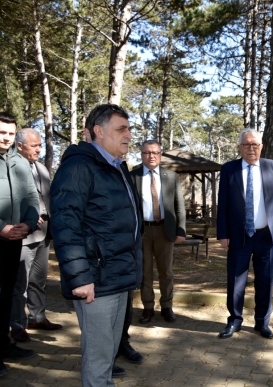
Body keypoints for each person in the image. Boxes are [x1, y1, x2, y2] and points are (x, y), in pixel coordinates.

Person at [50, 104, 142, 386]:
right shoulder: (79, 167)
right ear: (98, 132)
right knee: (100, 356)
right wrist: (80, 278)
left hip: (118, 275)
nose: (128, 135)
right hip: (96, 280)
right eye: (121, 129)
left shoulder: (116, 167)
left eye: (129, 129)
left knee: (109, 352)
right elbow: (66, 225)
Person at [217, 128, 273, 340]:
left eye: (255, 144)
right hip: (239, 235)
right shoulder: (229, 169)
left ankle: (262, 322)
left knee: (265, 281)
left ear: (261, 147)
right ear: (239, 147)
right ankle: (235, 320)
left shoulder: (271, 167)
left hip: (266, 235)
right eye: (246, 144)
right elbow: (223, 204)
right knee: (236, 280)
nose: (250, 148)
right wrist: (223, 233)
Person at [9, 129, 63, 344]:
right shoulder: (10, 166)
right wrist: (29, 216)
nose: (39, 149)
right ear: (20, 145)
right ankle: (17, 325)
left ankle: (37, 317)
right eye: (34, 146)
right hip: (23, 235)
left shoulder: (41, 167)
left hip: (44, 235)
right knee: (19, 284)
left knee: (38, 280)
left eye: (40, 145)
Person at [0, 113, 40, 377]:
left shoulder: (20, 162)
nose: (6, 137)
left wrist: (28, 224)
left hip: (14, 241)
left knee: (5, 296)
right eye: (2, 132)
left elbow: (32, 198)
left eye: (10, 133)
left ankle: (4, 344)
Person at [130, 140, 186, 324]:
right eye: (147, 152)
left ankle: (167, 306)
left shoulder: (171, 176)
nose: (151, 156)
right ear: (141, 155)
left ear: (160, 155)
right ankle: (147, 308)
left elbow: (179, 206)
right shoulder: (133, 176)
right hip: (142, 232)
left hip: (165, 230)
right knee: (145, 272)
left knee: (166, 272)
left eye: (155, 152)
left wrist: (181, 229)